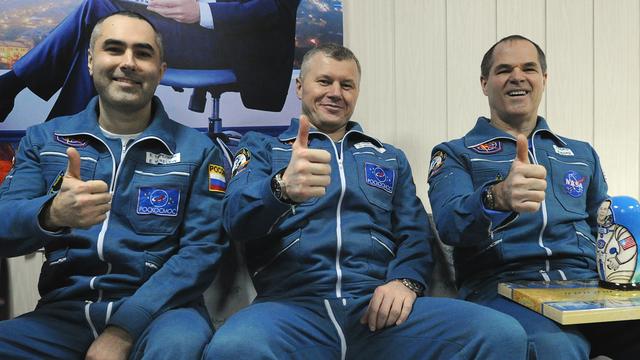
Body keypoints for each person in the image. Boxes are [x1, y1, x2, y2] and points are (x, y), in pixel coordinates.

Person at [203, 43, 528, 359]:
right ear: (300, 87)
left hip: (377, 309)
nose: (335, 92)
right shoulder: (262, 148)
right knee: (231, 349)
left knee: (501, 334)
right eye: (324, 81)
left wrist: (405, 282)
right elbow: (235, 219)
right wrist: (280, 189)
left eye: (347, 85)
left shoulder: (389, 158)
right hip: (289, 308)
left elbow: (414, 233)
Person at [0, 11, 228, 359]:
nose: (129, 63)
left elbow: (201, 253)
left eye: (143, 53)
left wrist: (123, 330)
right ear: (91, 62)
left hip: (164, 315)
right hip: (64, 313)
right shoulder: (44, 139)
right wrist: (51, 214)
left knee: (178, 348)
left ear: (161, 71)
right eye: (115, 49)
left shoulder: (198, 152)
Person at [428, 34, 640, 359]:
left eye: (529, 68)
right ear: (485, 83)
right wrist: (495, 198)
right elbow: (449, 224)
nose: (517, 76)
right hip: (502, 286)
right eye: (503, 70)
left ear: (544, 79)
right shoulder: (455, 154)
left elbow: (605, 229)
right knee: (555, 347)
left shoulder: (581, 153)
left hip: (586, 284)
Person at [0, 0, 300, 122]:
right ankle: (64, 133)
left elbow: (275, 9)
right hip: (201, 32)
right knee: (99, 38)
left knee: (100, 6)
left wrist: (201, 11)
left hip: (239, 47)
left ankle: (17, 89)